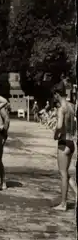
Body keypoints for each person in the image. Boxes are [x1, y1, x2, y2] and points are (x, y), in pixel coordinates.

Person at [51, 83, 78, 211]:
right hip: (71, 142)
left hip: (63, 142)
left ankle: (63, 203)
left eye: (54, 95)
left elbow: (59, 125)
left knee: (62, 174)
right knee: (66, 173)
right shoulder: (72, 107)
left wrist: (56, 135)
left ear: (57, 94)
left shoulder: (61, 109)